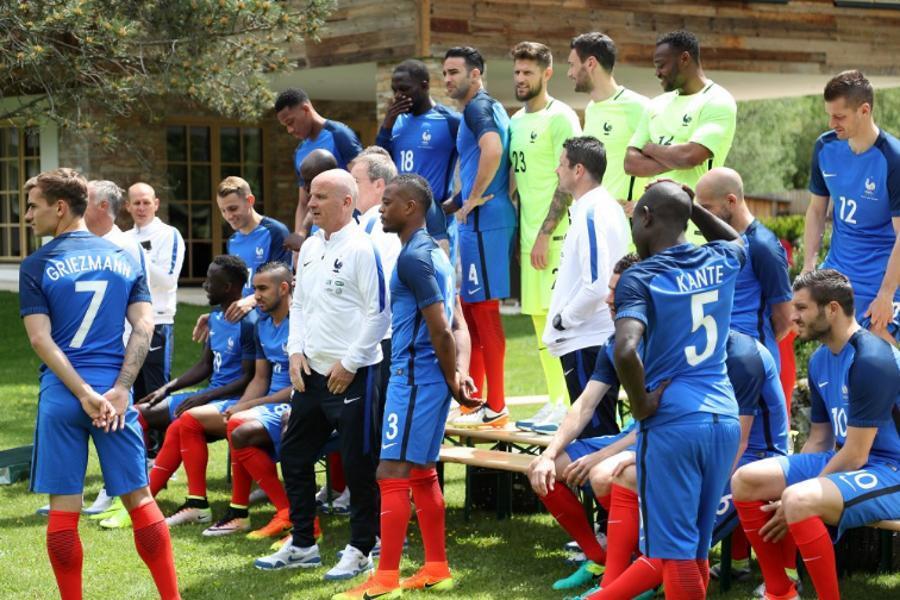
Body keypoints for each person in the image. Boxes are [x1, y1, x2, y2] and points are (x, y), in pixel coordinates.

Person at [19, 168, 180, 599]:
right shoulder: (126, 257)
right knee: (141, 501)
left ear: (59, 207)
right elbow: (145, 327)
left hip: (63, 397)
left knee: (64, 511)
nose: (27, 215)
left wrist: (81, 394)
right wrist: (123, 387)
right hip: (114, 397)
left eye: (33, 206)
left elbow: (40, 339)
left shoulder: (37, 265)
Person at [333, 174, 480, 599]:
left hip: (414, 378)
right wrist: (455, 374)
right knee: (420, 472)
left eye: (390, 201)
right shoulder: (432, 253)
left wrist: (453, 379)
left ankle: (385, 579)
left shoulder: (415, 258)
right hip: (422, 377)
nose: (381, 207)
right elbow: (452, 323)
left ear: (411, 207)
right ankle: (435, 567)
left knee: (391, 471)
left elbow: (441, 329)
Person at [612, 180, 745, 599]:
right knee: (697, 548)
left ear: (646, 217)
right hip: (723, 418)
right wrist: (693, 208)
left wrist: (641, 405)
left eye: (634, 218)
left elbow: (626, 350)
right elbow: (739, 240)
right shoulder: (721, 258)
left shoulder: (641, 276)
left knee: (675, 552)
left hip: (674, 422)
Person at [732, 269, 900, 600]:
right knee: (745, 480)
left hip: (890, 469)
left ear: (832, 309)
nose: (792, 317)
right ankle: (781, 592)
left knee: (799, 499)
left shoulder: (872, 359)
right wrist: (795, 485)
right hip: (854, 459)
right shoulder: (821, 358)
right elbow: (821, 440)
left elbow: (855, 455)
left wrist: (795, 496)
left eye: (802, 308)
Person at [255, 169, 389, 581]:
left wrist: (349, 363)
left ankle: (362, 548)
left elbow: (379, 315)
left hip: (354, 374)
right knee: (293, 454)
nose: (310, 203)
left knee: (357, 463)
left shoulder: (364, 249)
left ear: (347, 203)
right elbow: (297, 306)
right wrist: (294, 351)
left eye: (320, 196)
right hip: (309, 376)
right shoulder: (310, 246)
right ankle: (302, 543)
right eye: (310, 195)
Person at [97, 256, 257, 529]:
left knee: (184, 422)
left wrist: (204, 397)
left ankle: (160, 502)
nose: (205, 285)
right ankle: (130, 490)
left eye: (210, 281)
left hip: (230, 400)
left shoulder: (249, 321)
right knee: (136, 414)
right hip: (208, 396)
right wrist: (167, 388)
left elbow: (248, 378)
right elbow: (205, 365)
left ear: (229, 286)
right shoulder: (216, 318)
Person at [528, 253, 641, 593]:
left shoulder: (662, 342)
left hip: (659, 437)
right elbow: (584, 405)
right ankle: (600, 557)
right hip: (633, 435)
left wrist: (601, 454)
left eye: (615, 291)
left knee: (603, 474)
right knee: (543, 469)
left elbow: (660, 421)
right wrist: (549, 453)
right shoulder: (614, 342)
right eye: (608, 289)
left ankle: (632, 563)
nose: (607, 298)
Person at [508, 41, 582, 434]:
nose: (520, 79)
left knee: (561, 324)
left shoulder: (562, 118)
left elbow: (570, 182)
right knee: (540, 326)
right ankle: (555, 401)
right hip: (528, 239)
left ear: (547, 74)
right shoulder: (515, 121)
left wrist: (544, 234)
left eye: (528, 73)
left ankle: (572, 405)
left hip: (555, 238)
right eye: (517, 72)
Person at [442, 46, 516, 428]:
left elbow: (492, 149)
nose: (447, 79)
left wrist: (472, 199)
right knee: (470, 312)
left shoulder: (477, 107)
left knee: (485, 314)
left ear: (475, 74)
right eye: (445, 73)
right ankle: (473, 401)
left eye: (454, 72)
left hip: (486, 219)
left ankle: (497, 406)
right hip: (479, 218)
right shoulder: (485, 107)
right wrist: (452, 204)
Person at [803, 70, 900, 344]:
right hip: (839, 273)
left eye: (839, 116)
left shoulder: (893, 159)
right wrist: (809, 263)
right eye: (829, 115)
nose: (832, 123)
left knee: (880, 351)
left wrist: (886, 294)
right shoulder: (825, 148)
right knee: (831, 354)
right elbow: (816, 210)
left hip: (882, 275)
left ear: (864, 110)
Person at [543, 136, 630, 438]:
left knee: (593, 436)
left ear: (578, 170)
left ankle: (604, 489)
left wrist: (563, 320)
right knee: (596, 430)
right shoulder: (598, 208)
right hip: (591, 336)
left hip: (586, 339)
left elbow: (596, 285)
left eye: (561, 164)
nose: (557, 171)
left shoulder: (593, 211)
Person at [203, 262, 295, 540]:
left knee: (239, 428)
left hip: (294, 400)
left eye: (263, 289)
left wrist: (249, 406)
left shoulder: (301, 323)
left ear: (284, 288)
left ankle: (285, 510)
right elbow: (259, 377)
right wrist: (243, 403)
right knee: (235, 422)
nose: (256, 296)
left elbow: (298, 386)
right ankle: (240, 511)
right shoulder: (262, 324)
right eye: (254, 288)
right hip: (269, 400)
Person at [625, 30, 737, 243]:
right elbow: (631, 163)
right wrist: (675, 157)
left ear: (684, 58)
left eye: (661, 65)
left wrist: (650, 149)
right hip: (653, 225)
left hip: (694, 226)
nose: (657, 73)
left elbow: (690, 157)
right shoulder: (655, 104)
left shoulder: (717, 100)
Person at [696, 168, 793, 366]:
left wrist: (751, 345)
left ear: (731, 201)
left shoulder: (762, 245)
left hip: (752, 363)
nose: (701, 218)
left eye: (706, 209)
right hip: (722, 358)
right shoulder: (717, 244)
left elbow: (784, 318)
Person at [376, 59, 459, 260]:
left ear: (425, 85)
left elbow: (475, 163)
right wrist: (386, 125)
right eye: (394, 90)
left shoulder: (450, 121)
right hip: (398, 219)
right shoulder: (395, 122)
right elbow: (378, 161)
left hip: (435, 218)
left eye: (404, 89)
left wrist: (457, 202)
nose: (398, 96)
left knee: (436, 284)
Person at [191, 176, 291, 342]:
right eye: (223, 210)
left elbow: (283, 283)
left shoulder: (275, 233)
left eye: (233, 208)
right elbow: (234, 289)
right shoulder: (232, 241)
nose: (228, 216)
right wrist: (218, 316)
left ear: (250, 200)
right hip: (243, 318)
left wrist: (250, 301)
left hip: (267, 321)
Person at [567, 32, 649, 213]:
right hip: (595, 221)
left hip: (626, 233)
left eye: (572, 65)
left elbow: (665, 163)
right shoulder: (591, 108)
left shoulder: (638, 106)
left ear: (590, 63)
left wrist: (646, 204)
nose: (569, 73)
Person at [275, 88, 363, 252]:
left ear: (305, 109)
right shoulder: (300, 151)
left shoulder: (339, 135)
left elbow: (363, 181)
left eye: (290, 122)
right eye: (285, 126)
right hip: (319, 238)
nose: (290, 130)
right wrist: (300, 235)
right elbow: (303, 202)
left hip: (346, 233)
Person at [125, 182, 186, 403]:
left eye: (146, 203)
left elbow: (168, 280)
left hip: (158, 322)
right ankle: (139, 439)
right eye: (136, 203)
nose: (141, 208)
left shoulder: (169, 234)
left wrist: (137, 256)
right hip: (127, 324)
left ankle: (161, 439)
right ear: (127, 206)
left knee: (156, 392)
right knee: (131, 390)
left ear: (156, 204)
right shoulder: (124, 238)